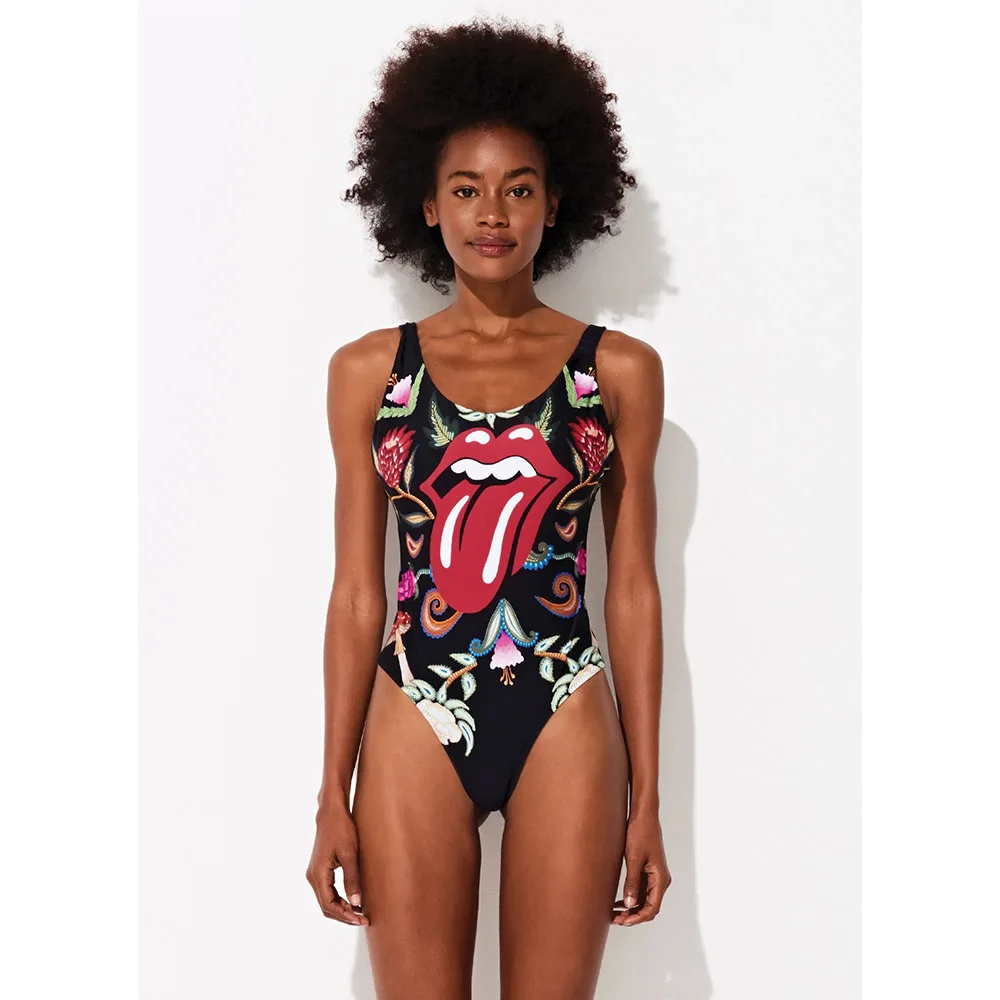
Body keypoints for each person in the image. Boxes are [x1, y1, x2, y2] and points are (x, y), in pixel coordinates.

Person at [306, 16, 670, 999]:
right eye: (466, 189)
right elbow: (356, 594)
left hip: (565, 708)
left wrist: (647, 799)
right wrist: (329, 793)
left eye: (518, 188)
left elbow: (632, 590)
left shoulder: (618, 372)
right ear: (425, 203)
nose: (492, 213)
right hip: (411, 710)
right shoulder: (370, 373)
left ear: (557, 200)